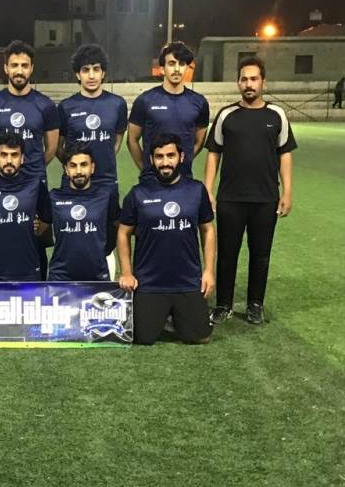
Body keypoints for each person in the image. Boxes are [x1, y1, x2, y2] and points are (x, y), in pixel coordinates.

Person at [204, 57, 297, 325]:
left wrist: (287, 191)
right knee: (227, 254)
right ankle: (223, 305)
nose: (249, 84)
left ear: (263, 82)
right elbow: (214, 154)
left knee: (261, 254)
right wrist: (208, 189)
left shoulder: (277, 115)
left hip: (265, 199)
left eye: (254, 79)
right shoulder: (226, 115)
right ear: (238, 82)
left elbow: (284, 154)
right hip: (230, 198)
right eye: (244, 79)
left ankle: (255, 304)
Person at [117, 133, 216, 345]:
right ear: (151, 159)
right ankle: (166, 315)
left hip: (187, 281)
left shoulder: (196, 190)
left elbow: (207, 229)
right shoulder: (138, 194)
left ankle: (174, 315)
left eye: (170, 156)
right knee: (142, 337)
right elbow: (123, 233)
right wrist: (126, 272)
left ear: (181, 157)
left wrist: (208, 271)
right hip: (149, 282)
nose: (165, 162)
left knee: (199, 336)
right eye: (159, 156)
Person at [0, 40, 59, 274]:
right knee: (2, 237)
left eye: (24, 65)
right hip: (1, 184)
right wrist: (4, 169)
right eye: (14, 65)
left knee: (35, 242)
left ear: (31, 68)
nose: (19, 70)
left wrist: (31, 168)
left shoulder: (45, 105)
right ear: (6, 68)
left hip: (34, 185)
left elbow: (51, 148)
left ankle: (37, 288)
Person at [0, 132, 52, 282]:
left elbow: (47, 217)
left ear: (22, 158)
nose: (9, 160)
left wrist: (37, 228)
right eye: (4, 155)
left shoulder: (35, 185)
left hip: (27, 271)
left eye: (14, 155)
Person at [127, 41, 209, 177]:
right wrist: (146, 169)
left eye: (181, 64)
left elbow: (199, 141)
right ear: (162, 69)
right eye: (171, 63)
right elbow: (132, 140)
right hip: (152, 181)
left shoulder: (199, 102)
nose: (177, 69)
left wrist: (184, 162)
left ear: (187, 68)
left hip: (184, 180)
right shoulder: (145, 100)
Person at [56, 43, 127, 185]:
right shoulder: (66, 106)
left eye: (96, 69)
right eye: (85, 70)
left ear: (103, 73)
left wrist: (105, 161)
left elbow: (118, 139)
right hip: (75, 182)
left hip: (106, 180)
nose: (92, 75)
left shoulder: (117, 104)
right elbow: (57, 146)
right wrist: (72, 164)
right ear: (78, 74)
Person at [48, 150, 120, 282]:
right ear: (66, 169)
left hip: (97, 276)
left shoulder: (106, 195)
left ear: (92, 167)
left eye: (84, 165)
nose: (79, 171)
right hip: (60, 276)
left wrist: (105, 250)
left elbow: (118, 227)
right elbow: (42, 226)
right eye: (73, 166)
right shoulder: (54, 197)